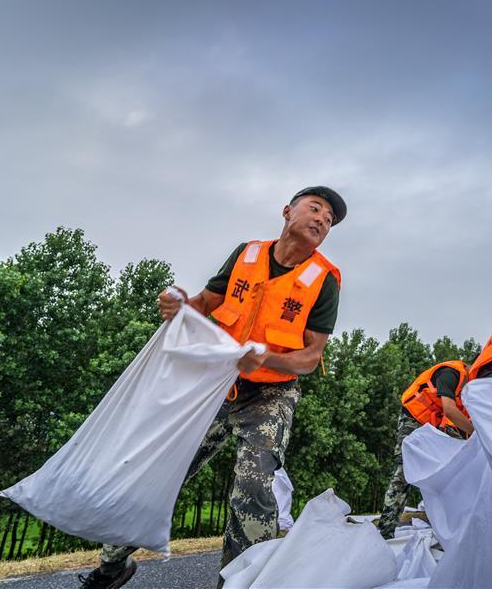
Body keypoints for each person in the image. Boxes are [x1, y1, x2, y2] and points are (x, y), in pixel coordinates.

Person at [79, 186, 346, 589]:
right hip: (218, 383)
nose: (322, 219)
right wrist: (180, 304)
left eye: (329, 220)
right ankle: (111, 566)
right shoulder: (247, 255)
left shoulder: (323, 280)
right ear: (287, 211)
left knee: (254, 483)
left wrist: (266, 358)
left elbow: (311, 357)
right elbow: (204, 303)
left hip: (271, 393)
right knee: (164, 469)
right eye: (316, 208)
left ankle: (240, 583)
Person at [376, 359, 471, 539]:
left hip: (432, 426)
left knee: (449, 472)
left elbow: (457, 425)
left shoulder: (469, 392)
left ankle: (450, 528)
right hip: (412, 419)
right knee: (402, 473)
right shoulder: (451, 374)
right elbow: (449, 410)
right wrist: (476, 433)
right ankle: (385, 531)